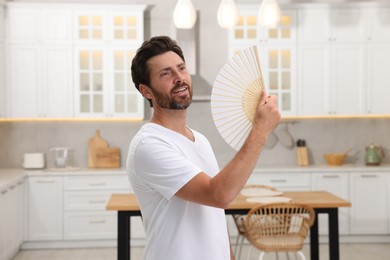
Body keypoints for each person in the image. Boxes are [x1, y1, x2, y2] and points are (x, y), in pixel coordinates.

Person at [126, 35, 281, 260]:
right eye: (166, 73)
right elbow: (219, 194)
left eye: (181, 68)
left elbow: (214, 213)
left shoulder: (199, 139)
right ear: (146, 91)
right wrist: (260, 130)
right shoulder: (148, 145)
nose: (179, 78)